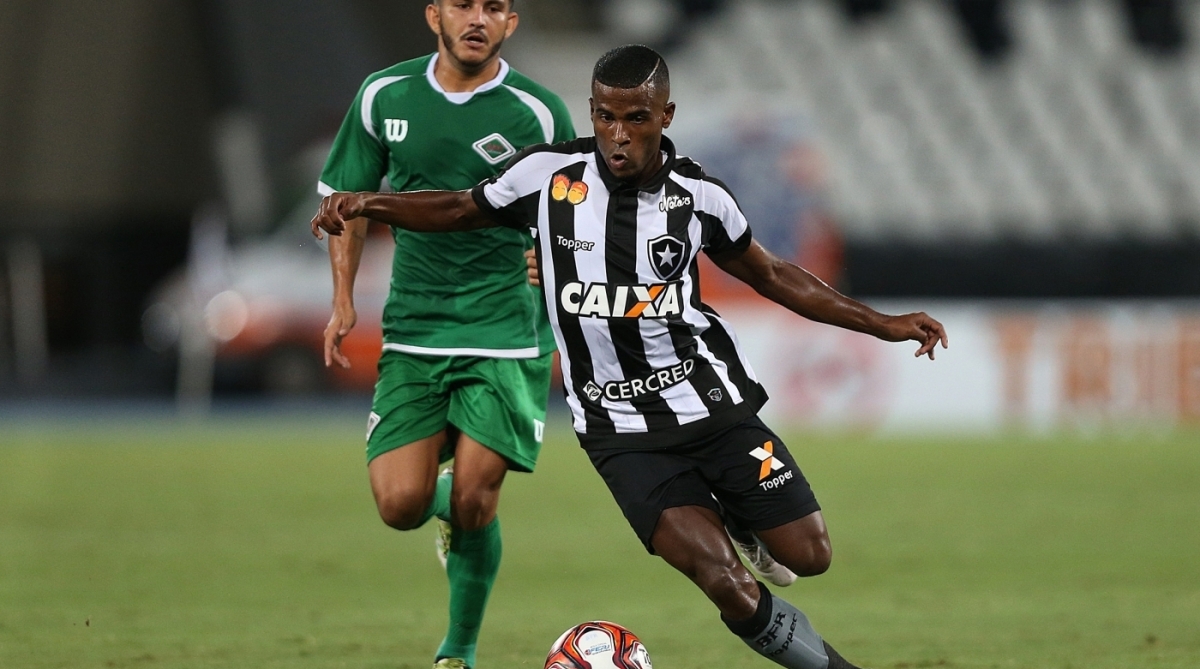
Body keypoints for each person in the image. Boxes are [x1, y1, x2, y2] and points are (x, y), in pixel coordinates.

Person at [312, 44, 948, 669]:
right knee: (722, 577)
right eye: (605, 117)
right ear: (591, 113)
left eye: (636, 118)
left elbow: (776, 275)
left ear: (664, 116)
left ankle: (740, 515)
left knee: (810, 557)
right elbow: (457, 207)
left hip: (710, 406)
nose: (618, 135)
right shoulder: (546, 176)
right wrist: (368, 200)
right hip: (621, 434)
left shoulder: (699, 196)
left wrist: (881, 323)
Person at [316, 2, 575, 668]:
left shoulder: (538, 112)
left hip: (507, 330)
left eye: (494, 7)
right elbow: (346, 199)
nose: (477, 18)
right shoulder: (383, 96)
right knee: (400, 504)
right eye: (462, 3)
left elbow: (577, 210)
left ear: (511, 24)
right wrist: (343, 299)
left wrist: (552, 255)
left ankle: (457, 652)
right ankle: (451, 518)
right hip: (415, 327)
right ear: (434, 13)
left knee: (475, 494)